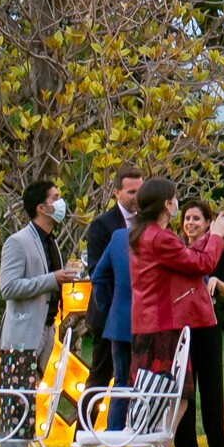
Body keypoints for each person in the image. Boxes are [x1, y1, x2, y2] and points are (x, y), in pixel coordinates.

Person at [127, 178, 224, 447]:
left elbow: (188, 258)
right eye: (175, 200)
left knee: (155, 403)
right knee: (174, 401)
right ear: (166, 205)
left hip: (148, 327)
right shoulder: (159, 238)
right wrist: (216, 235)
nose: (178, 205)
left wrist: (211, 238)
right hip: (163, 329)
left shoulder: (145, 235)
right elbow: (200, 264)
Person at [0, 179, 80, 447]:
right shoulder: (17, 242)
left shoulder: (50, 240)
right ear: (40, 207)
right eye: (55, 197)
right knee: (14, 394)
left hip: (46, 328)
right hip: (21, 334)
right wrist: (52, 279)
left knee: (29, 392)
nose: (60, 202)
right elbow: (8, 287)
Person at [175, 198, 224, 447]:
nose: (191, 223)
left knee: (211, 387)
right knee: (183, 386)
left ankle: (217, 445)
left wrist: (216, 283)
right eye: (187, 219)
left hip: (208, 326)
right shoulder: (177, 251)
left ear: (208, 223)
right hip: (181, 327)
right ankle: (187, 446)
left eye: (196, 219)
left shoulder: (219, 253)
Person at [82, 168, 142, 404]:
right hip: (109, 317)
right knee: (100, 379)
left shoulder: (147, 223)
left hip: (137, 317)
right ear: (117, 192)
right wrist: (110, 312)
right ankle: (81, 439)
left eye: (141, 190)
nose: (137, 197)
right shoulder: (102, 226)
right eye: (131, 192)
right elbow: (98, 273)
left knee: (132, 380)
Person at [87, 221, 136, 447]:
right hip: (149, 323)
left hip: (118, 323)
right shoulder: (161, 239)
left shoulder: (117, 237)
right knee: (146, 387)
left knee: (121, 384)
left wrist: (109, 309)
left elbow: (98, 276)